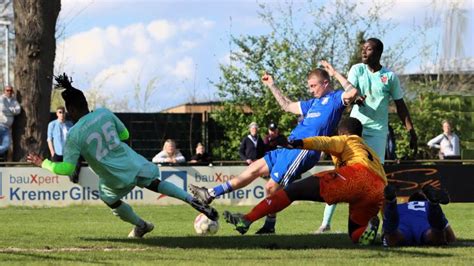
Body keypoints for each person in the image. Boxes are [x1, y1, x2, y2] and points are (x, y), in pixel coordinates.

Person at [27, 74, 218, 238]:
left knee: (110, 199)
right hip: (130, 160)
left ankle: (141, 225)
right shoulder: (104, 113)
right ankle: (190, 199)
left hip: (113, 175)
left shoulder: (74, 134)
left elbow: (67, 168)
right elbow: (125, 135)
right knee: (154, 182)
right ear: (85, 103)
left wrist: (43, 163)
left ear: (72, 110)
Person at [191, 68, 359, 234]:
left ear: (325, 83)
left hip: (304, 150)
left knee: (271, 187)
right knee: (253, 169)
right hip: (287, 147)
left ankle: (259, 223)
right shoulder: (313, 103)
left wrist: (335, 72)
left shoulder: (336, 98)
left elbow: (352, 92)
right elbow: (286, 106)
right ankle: (211, 193)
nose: (311, 90)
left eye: (313, 86)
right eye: (309, 86)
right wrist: (272, 85)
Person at [223, 117, 385, 245]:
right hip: (377, 188)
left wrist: (297, 143)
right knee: (356, 235)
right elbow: (384, 184)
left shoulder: (347, 140)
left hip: (357, 175)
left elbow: (324, 141)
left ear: (342, 132)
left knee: (293, 191)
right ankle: (368, 228)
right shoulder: (371, 153)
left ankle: (247, 219)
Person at [316, 38, 418, 233]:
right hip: (354, 129)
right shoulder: (357, 69)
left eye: (368, 49)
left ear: (378, 52)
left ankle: (387, 225)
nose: (363, 52)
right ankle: (325, 224)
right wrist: (355, 97)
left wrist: (411, 131)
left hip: (378, 132)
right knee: (342, 173)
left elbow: (401, 106)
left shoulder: (390, 77)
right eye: (362, 49)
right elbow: (348, 90)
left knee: (376, 178)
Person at [382, 184, 456, 246]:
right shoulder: (426, 205)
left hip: (402, 226)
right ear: (425, 200)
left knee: (392, 235)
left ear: (410, 201)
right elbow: (451, 238)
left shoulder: (400, 206)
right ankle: (434, 204)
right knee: (437, 234)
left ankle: (391, 202)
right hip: (425, 226)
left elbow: (384, 232)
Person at [0, 85, 21, 157]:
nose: (9, 92)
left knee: (6, 146)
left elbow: (18, 111)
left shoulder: (14, 100)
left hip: (7, 128)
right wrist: (12, 110)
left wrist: (9, 110)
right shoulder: (1, 99)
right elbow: (3, 109)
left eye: (10, 90)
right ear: (4, 91)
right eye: (7, 90)